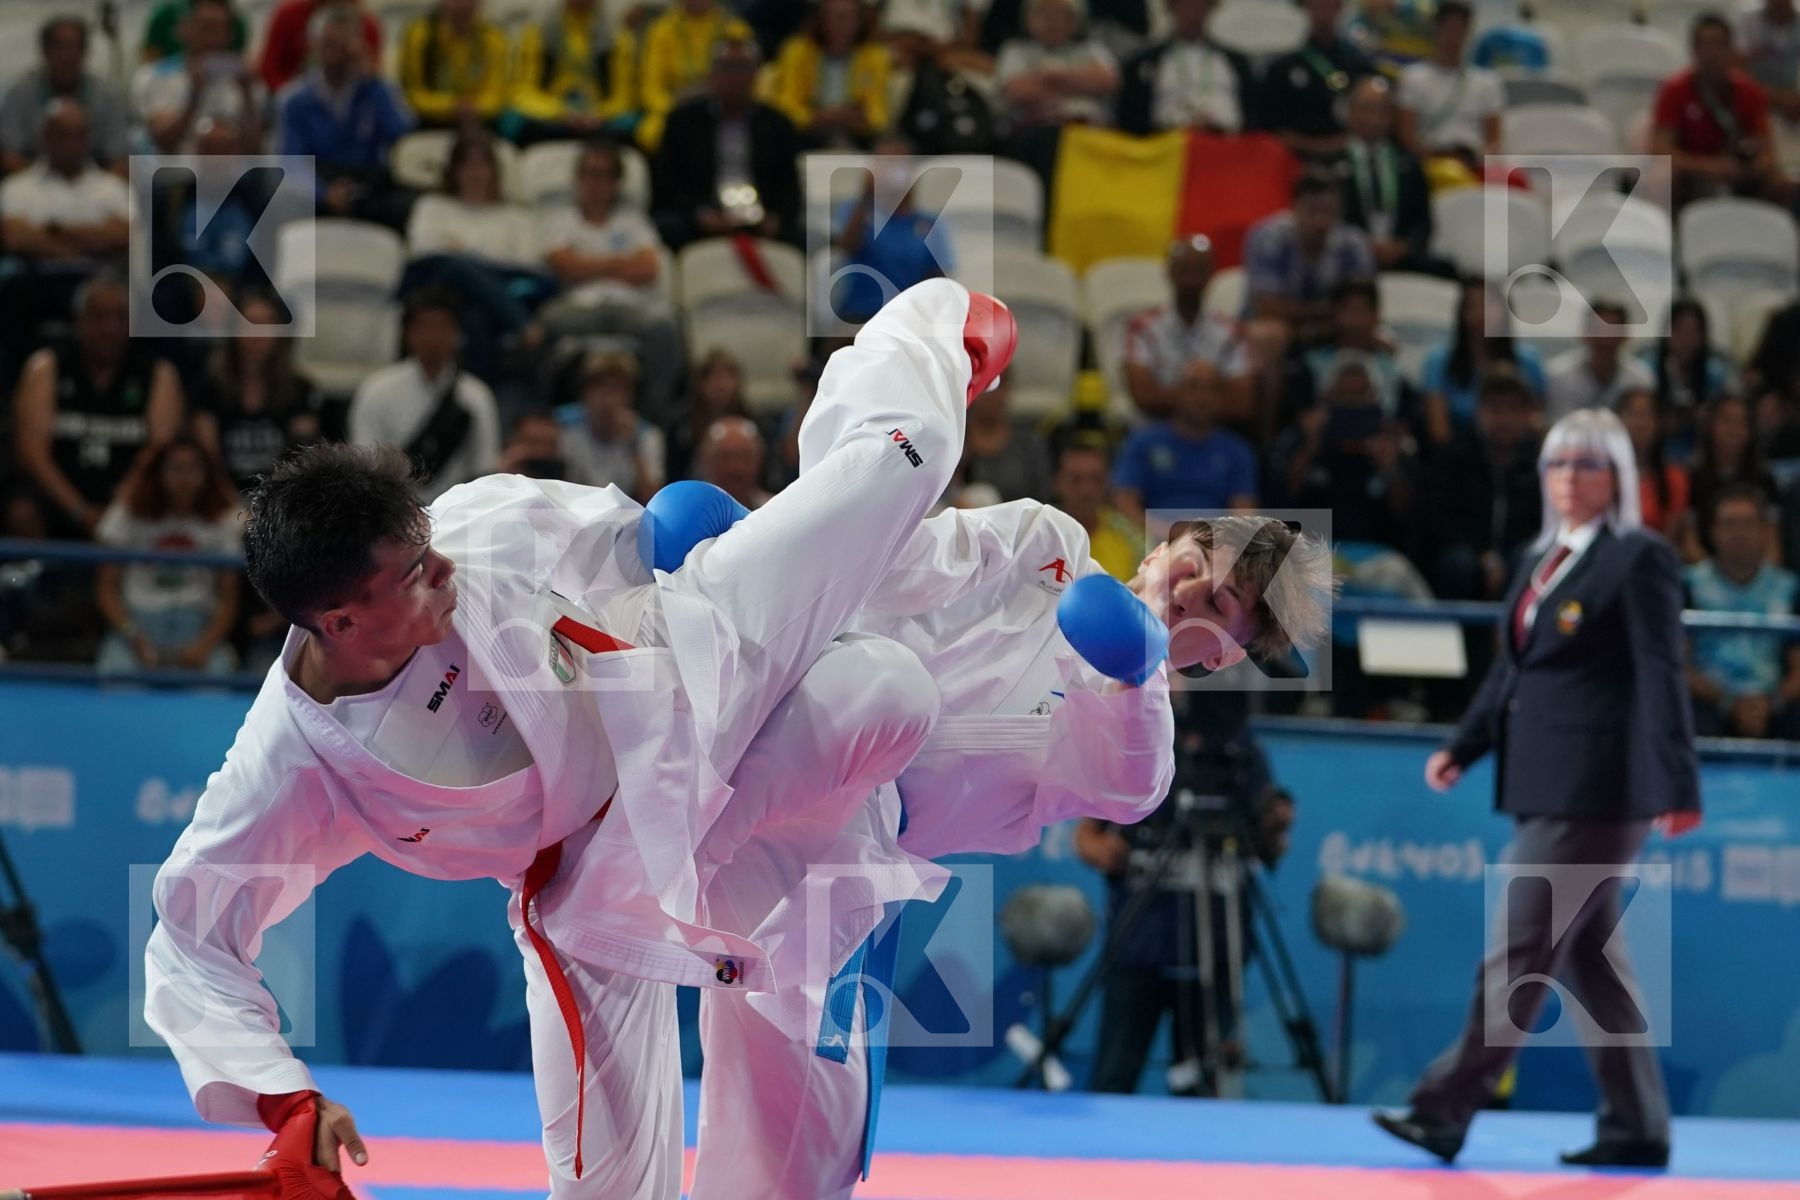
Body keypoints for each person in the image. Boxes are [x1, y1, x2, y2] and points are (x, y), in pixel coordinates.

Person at [143, 279, 1010, 1197]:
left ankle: (939, 329)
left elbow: (633, 543)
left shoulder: (481, 526)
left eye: (425, 541)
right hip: (584, 894)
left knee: (890, 494)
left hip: (689, 672)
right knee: (607, 1191)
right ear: (340, 622)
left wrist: (678, 541)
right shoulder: (290, 765)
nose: (443, 565)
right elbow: (190, 937)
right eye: (412, 572)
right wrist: (285, 1100)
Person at [682, 502, 1334, 1200]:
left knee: (808, 1125)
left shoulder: (1135, 733)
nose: (1187, 593)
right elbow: (891, 554)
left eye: (1217, 603)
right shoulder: (1044, 540)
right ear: (1164, 545)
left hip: (837, 865)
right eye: (1195, 565)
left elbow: (1132, 790)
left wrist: (1134, 667)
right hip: (776, 728)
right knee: (883, 684)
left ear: (1220, 655)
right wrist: (759, 548)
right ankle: (648, 860)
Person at [1374, 407, 1700, 1171]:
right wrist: (1465, 745)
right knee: (1594, 967)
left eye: (1588, 465)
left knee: (1516, 956)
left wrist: (1677, 782)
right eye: (1558, 464)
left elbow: (1661, 673)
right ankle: (1637, 1126)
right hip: (1542, 781)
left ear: (1618, 475)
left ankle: (1442, 1111)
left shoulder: (1639, 557)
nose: (1569, 479)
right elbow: (1512, 670)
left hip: (1599, 789)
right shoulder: (1538, 557)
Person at [11, 272, 185, 539]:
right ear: (79, 320)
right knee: (22, 511)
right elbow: (32, 455)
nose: (110, 328)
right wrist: (79, 511)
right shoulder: (46, 367)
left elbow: (158, 451)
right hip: (59, 494)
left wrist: (117, 511)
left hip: (128, 497)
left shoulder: (158, 374)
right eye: (98, 316)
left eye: (120, 318)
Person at [535, 138, 684, 424]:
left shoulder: (633, 222)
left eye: (605, 175)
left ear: (616, 183)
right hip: (578, 308)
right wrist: (618, 263)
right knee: (543, 327)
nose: (597, 183)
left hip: (629, 307)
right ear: (579, 179)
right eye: (590, 173)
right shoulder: (560, 220)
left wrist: (587, 263)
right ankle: (546, 417)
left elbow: (648, 268)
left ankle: (654, 415)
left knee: (665, 327)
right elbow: (564, 267)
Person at [403, 132, 555, 383]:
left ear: (495, 171)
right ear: (454, 170)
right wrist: (482, 260)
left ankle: (475, 394)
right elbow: (426, 251)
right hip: (443, 287)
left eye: (482, 164)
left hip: (500, 290)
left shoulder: (517, 216)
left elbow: (527, 263)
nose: (476, 173)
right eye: (467, 164)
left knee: (476, 314)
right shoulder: (432, 207)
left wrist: (466, 253)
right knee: (454, 267)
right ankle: (522, 325)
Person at [94, 436, 242, 675]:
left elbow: (228, 600)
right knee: (115, 681)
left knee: (218, 683)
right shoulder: (128, 514)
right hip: (137, 626)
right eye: (176, 468)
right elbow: (106, 589)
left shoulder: (223, 519)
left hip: (197, 627)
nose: (185, 478)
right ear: (159, 472)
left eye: (194, 468)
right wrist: (133, 635)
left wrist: (204, 645)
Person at [347, 287, 502, 502]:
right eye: (425, 326)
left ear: (457, 334)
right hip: (392, 509)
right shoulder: (377, 389)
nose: (434, 337)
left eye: (443, 327)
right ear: (407, 333)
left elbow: (484, 467)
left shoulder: (476, 395)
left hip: (456, 512)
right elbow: (364, 461)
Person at [273, 3, 417, 234]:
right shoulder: (295, 100)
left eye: (341, 45)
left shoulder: (377, 90)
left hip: (368, 181)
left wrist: (374, 84)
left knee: (408, 205)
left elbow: (401, 135)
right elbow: (291, 161)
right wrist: (323, 192)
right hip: (321, 179)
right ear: (313, 46)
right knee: (282, 201)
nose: (334, 52)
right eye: (327, 44)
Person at [650, 38, 803, 249]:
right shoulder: (682, 121)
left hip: (761, 215)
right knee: (667, 226)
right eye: (727, 67)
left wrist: (775, 218)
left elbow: (790, 187)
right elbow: (667, 183)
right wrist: (702, 214)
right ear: (712, 74)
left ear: (755, 75)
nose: (736, 77)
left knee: (804, 236)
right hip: (705, 213)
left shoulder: (777, 124)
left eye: (743, 68)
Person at [1417, 365, 1544, 601]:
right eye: (1495, 409)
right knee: (1458, 563)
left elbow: (1540, 525)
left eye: (1514, 410)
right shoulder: (1453, 457)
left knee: (1530, 561)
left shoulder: (1541, 464)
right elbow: (1439, 519)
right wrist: (1482, 555)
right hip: (1465, 559)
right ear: (1479, 411)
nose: (1504, 420)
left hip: (1513, 558)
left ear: (1528, 415)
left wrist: (1504, 560)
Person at [1684, 482, 1800, 739]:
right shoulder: (1688, 585)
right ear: (1712, 531)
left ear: (1766, 531)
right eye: (1729, 524)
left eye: (1748, 523)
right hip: (1708, 702)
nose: (1739, 533)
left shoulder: (1790, 588)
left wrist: (1772, 703)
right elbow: (1679, 664)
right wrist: (1728, 702)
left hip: (1775, 702)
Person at [1652, 13, 1781, 210]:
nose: (1711, 52)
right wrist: (1708, 166)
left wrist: (1748, 167)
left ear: (1730, 49)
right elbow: (1661, 150)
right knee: (1663, 178)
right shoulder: (1674, 90)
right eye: (1704, 45)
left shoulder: (1749, 91)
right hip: (1691, 174)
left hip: (1739, 174)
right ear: (1694, 50)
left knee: (1783, 184)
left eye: (1718, 44)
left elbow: (1767, 152)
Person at [1112, 360, 1259, 532]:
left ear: (1220, 398)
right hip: (1151, 541)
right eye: (1192, 387)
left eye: (1211, 389)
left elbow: (1243, 511)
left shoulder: (1237, 452)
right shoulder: (1142, 442)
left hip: (1215, 545)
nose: (1201, 397)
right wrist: (1167, 533)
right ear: (1175, 393)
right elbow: (1124, 502)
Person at [1122, 236, 1253, 423]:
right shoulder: (1142, 327)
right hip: (1155, 429)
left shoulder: (1231, 331)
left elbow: (1241, 403)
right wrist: (1204, 400)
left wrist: (1177, 399)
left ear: (1211, 274)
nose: (1191, 279)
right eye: (1184, 270)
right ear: (1169, 272)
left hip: (1213, 433)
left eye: (1199, 270)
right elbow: (1143, 396)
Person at [1242, 171, 1377, 349]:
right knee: (1271, 334)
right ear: (1294, 207)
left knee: (1362, 330)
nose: (1320, 221)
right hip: (1279, 326)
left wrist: (1323, 320)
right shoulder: (1267, 237)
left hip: (1333, 327)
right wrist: (1324, 311)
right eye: (1312, 210)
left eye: (1328, 211)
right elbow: (1267, 308)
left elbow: (1362, 306)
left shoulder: (1354, 245)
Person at [828, 134, 954, 325]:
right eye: (886, 164)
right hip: (861, 317)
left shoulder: (929, 222)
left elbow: (938, 280)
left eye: (899, 164)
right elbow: (845, 247)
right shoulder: (855, 211)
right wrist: (867, 194)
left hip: (909, 321)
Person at [1419, 277, 1548, 444]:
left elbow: (1534, 420)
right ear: (1462, 313)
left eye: (1490, 306)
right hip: (1458, 455)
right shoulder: (1438, 362)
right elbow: (1439, 432)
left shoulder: (1528, 362)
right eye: (1475, 305)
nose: (1483, 314)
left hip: (1518, 454)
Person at [0, 16, 132, 174]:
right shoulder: (19, 93)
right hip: (32, 181)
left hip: (95, 182)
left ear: (85, 52)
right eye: (58, 47)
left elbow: (120, 159)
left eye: (73, 48)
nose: (66, 56)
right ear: (44, 50)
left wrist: (97, 190)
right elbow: (9, 155)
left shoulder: (109, 96)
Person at [1337, 76, 1441, 275]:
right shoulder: (1331, 165)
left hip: (1401, 257)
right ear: (1350, 113)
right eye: (1365, 109)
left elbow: (1424, 222)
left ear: (1392, 117)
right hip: (1348, 260)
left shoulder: (1409, 164)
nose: (1373, 118)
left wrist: (1403, 246)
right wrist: (1361, 244)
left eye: (1381, 111)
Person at [132, 0, 264, 155]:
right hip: (175, 172)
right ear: (184, 29)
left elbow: (255, 148)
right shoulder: (156, 77)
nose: (211, 38)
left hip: (235, 173)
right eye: (205, 28)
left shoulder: (244, 79)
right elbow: (164, 141)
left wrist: (247, 96)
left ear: (230, 36)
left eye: (219, 30)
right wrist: (194, 95)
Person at [762, 0, 894, 147]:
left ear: (859, 21)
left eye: (847, 16)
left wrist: (861, 121)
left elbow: (879, 111)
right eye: (834, 16)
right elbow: (787, 106)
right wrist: (819, 117)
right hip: (808, 132)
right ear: (820, 19)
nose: (840, 23)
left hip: (856, 136)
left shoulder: (875, 57)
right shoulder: (797, 52)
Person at [1263, 0, 1380, 163]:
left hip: (1351, 161)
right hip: (1296, 161)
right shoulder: (1282, 69)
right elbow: (1274, 129)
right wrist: (1314, 146)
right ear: (1305, 6)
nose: (1324, 10)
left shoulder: (1360, 66)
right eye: (1317, 3)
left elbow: (1376, 119)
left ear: (1340, 7)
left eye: (1330, 4)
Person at [506, 0, 638, 144]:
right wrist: (559, 113)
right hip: (552, 114)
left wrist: (600, 115)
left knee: (630, 124)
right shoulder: (537, 33)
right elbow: (523, 93)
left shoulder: (618, 38)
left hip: (598, 117)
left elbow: (623, 98)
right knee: (514, 121)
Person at [1395, 0, 1502, 172]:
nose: (1454, 37)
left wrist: (1479, 159)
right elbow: (1407, 137)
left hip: (1472, 163)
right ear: (1436, 29)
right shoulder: (1412, 78)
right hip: (1431, 162)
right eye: (1450, 29)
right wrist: (1439, 158)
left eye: (1461, 29)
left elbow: (1494, 139)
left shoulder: (1488, 82)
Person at [1115, 0, 1248, 136]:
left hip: (1227, 144)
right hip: (1168, 145)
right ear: (1171, 7)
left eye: (1199, 6)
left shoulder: (1236, 62)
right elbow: (1130, 119)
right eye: (1186, 5)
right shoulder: (1144, 62)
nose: (1193, 13)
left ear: (1211, 9)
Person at [636, 0, 755, 151]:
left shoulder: (734, 29)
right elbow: (651, 87)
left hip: (722, 105)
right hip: (675, 105)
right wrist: (672, 110)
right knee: (651, 134)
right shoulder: (661, 31)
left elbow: (748, 77)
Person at [554, 349, 667, 500]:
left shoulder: (647, 436)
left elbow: (653, 500)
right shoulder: (562, 427)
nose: (607, 400)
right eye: (600, 389)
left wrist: (633, 449)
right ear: (585, 393)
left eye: (615, 390)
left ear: (629, 397)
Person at [1638, 297, 1735, 461]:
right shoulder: (1646, 372)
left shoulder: (1716, 373)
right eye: (1679, 330)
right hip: (1657, 454)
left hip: (1702, 454)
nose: (1686, 339)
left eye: (1694, 331)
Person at [397, 0, 510, 129]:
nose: (463, 5)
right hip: (430, 118)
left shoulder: (493, 37)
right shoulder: (421, 35)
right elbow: (412, 94)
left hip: (480, 118)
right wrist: (451, 106)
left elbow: (497, 95)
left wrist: (475, 107)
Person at [1545, 301, 1657, 425]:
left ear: (1625, 336)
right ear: (1585, 333)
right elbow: (1557, 427)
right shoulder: (1560, 377)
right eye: (1599, 330)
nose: (1605, 340)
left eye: (1612, 331)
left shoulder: (1640, 380)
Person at [1051, 441, 1141, 580]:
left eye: (1096, 480)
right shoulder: (1040, 533)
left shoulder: (1131, 537)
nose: (1087, 490)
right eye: (1075, 479)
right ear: (1057, 483)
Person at [960, 374, 1053, 502]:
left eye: (999, 385)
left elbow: (1042, 498)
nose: (991, 394)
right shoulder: (955, 442)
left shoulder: (1029, 445)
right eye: (985, 385)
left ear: (1009, 389)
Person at [259, 0, 383, 95]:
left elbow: (373, 77)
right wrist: (293, 95)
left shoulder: (368, 26)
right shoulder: (287, 15)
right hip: (291, 97)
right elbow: (269, 69)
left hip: (351, 104)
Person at [1617, 387, 1690, 538]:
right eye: (1632, 414)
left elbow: (1671, 539)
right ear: (1618, 421)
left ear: (1658, 423)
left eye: (1646, 415)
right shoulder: (1602, 477)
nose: (1640, 423)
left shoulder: (1674, 478)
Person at [694, 414, 775, 508]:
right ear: (706, 461)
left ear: (759, 460)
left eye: (744, 457)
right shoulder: (687, 512)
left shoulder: (776, 510)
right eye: (724, 457)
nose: (735, 467)